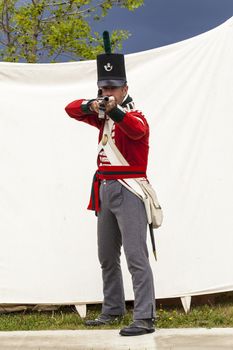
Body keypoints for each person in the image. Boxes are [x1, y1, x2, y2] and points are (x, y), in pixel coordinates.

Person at [65, 35, 156, 336]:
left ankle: (144, 317)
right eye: (104, 88)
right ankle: (113, 308)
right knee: (106, 255)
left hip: (129, 190)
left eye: (112, 88)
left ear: (125, 89)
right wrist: (93, 105)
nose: (108, 92)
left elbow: (133, 130)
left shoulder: (136, 116)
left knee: (135, 256)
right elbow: (70, 108)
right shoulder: (102, 118)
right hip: (104, 189)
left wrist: (113, 109)